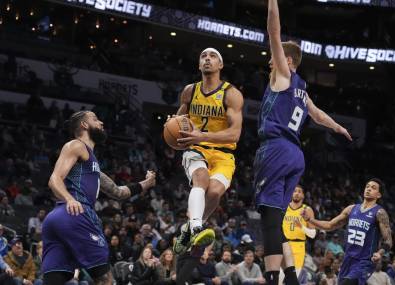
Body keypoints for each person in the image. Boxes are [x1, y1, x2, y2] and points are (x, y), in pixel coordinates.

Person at [253, 1, 352, 284]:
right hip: (296, 154)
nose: (270, 59)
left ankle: (273, 279)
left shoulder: (284, 75)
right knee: (279, 221)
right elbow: (318, 115)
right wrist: (338, 127)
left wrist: (272, 2)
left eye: (276, 55)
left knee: (269, 219)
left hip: (276, 148)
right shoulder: (302, 89)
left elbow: (273, 31)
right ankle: (291, 280)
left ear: (289, 61)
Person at [41, 111, 156, 285]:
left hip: (56, 220)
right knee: (105, 279)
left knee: (55, 279)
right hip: (76, 214)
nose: (101, 122)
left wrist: (146, 183)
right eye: (95, 119)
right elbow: (54, 179)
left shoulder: (91, 165)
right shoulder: (76, 145)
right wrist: (70, 199)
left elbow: (118, 192)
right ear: (84, 125)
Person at [172, 47, 244, 283]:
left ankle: (188, 229)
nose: (207, 59)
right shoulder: (190, 91)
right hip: (196, 149)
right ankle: (194, 228)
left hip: (223, 154)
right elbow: (177, 121)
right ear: (199, 64)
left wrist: (200, 135)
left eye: (212, 56)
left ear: (220, 65)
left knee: (214, 191)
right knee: (201, 180)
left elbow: (234, 134)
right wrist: (174, 132)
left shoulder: (231, 94)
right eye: (203, 56)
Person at [301, 178, 393, 285]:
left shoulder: (379, 213)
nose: (368, 189)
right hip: (347, 259)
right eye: (367, 186)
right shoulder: (351, 209)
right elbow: (330, 225)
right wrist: (310, 220)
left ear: (378, 195)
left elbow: (388, 241)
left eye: (373, 188)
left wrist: (380, 253)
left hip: (364, 261)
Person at [281, 185, 316, 280]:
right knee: (278, 280)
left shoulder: (307, 210)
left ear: (303, 195)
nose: (296, 193)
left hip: (299, 247)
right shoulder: (283, 208)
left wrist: (302, 227)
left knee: (293, 280)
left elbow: (313, 234)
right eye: (294, 191)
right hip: (284, 245)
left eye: (299, 191)